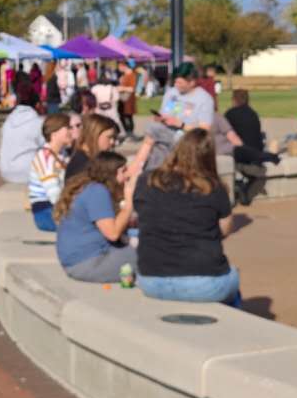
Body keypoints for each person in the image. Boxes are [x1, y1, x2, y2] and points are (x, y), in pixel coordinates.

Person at [133, 129, 243, 308]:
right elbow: (225, 228)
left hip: (151, 280)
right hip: (204, 283)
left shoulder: (147, 180)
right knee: (233, 277)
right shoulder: (214, 188)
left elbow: (143, 215)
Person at [54, 150, 138, 284]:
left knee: (139, 242)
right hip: (88, 263)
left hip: (80, 261)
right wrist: (129, 203)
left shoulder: (89, 187)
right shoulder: (97, 191)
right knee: (149, 251)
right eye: (123, 171)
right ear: (111, 173)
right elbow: (113, 234)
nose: (126, 176)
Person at [27, 113, 76, 232]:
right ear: (54, 133)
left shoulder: (62, 154)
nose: (72, 131)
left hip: (57, 207)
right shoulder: (45, 158)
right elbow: (54, 195)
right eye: (68, 128)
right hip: (46, 212)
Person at [0, 77, 45, 184]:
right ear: (36, 104)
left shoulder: (8, 121)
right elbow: (48, 145)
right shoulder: (37, 122)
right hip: (26, 171)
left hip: (5, 170)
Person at [65, 113, 119, 180]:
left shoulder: (91, 158)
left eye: (114, 138)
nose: (112, 142)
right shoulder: (82, 165)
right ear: (94, 135)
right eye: (109, 137)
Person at [117, 64, 138, 136]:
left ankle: (130, 132)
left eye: (119, 67)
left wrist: (121, 88)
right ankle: (126, 132)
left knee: (128, 116)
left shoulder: (132, 75)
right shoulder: (124, 75)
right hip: (122, 99)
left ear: (124, 66)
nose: (119, 69)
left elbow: (132, 89)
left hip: (128, 99)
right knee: (122, 116)